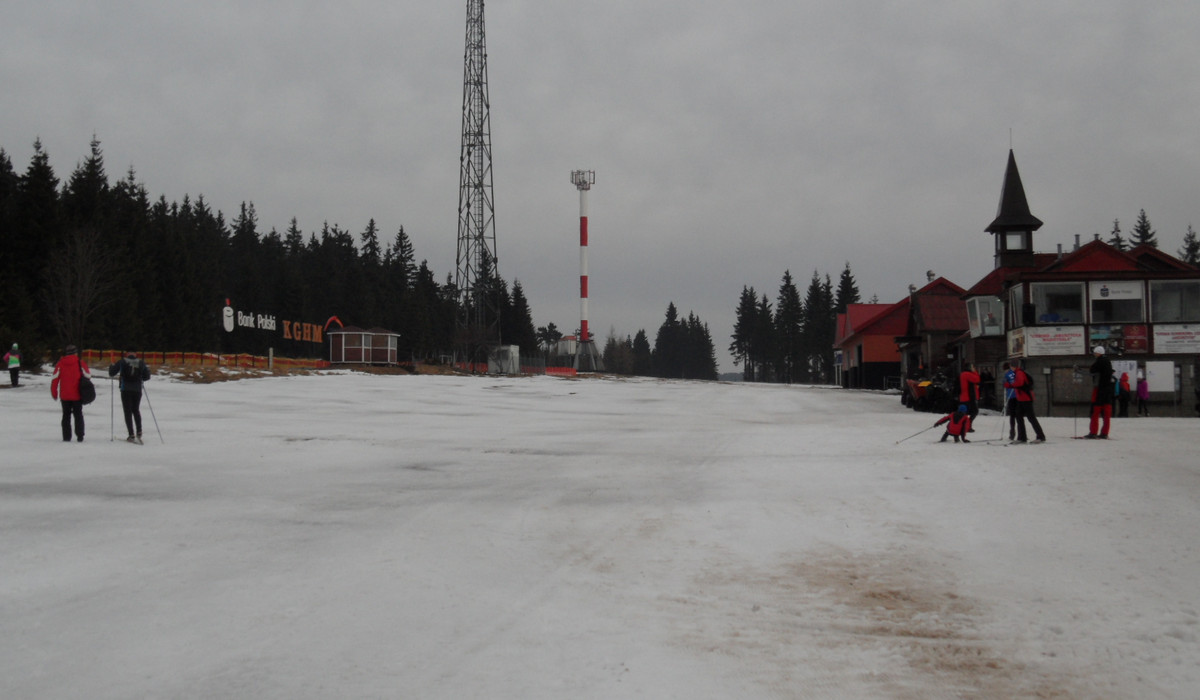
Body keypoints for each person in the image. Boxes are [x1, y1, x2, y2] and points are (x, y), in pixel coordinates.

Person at [50, 344, 91, 442]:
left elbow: (55, 379)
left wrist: (54, 392)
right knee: (78, 415)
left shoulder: (60, 364)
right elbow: (88, 375)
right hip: (77, 394)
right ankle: (80, 435)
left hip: (64, 395)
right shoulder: (80, 363)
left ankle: (66, 436)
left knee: (66, 415)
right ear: (75, 352)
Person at [109, 351, 151, 443]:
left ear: (127, 354)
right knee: (136, 410)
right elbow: (147, 376)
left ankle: (131, 434)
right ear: (135, 354)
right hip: (137, 389)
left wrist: (111, 366)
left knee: (127, 411)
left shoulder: (122, 362)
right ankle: (139, 431)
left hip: (126, 389)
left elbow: (112, 373)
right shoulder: (141, 362)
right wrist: (140, 378)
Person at [1004, 361, 1046, 443]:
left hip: (1026, 398)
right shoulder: (1018, 372)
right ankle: (1022, 437)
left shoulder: (1019, 373)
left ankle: (1040, 436)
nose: (1010, 369)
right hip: (1021, 398)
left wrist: (1010, 385)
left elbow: (1020, 383)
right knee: (1018, 416)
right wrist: (1010, 385)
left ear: (1013, 367)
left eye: (1011, 367)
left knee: (1031, 417)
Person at [1087, 346, 1115, 439]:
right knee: (1106, 414)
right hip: (1108, 391)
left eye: (1095, 353)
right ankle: (1104, 433)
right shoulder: (1108, 362)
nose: (1094, 354)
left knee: (1095, 412)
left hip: (1099, 390)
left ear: (1099, 353)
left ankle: (1093, 432)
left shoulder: (1099, 362)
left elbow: (1092, 370)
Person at [958, 363, 981, 430]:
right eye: (972, 367)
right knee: (974, 411)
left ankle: (964, 426)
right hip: (968, 397)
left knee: (966, 412)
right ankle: (967, 426)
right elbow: (977, 379)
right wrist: (975, 372)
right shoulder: (967, 374)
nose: (974, 368)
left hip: (965, 396)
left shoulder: (963, 374)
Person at [1001, 362, 1019, 440]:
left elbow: (1005, 383)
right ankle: (1020, 432)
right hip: (1018, 396)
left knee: (1012, 415)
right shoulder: (1016, 373)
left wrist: (1005, 384)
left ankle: (1012, 432)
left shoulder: (1007, 375)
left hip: (1011, 396)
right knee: (1018, 415)